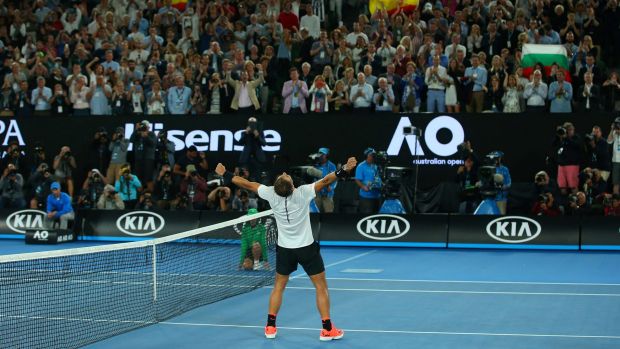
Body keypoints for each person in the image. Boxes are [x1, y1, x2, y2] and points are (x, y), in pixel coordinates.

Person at [214, 155, 357, 341]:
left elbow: (247, 184)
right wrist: (344, 169)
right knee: (321, 287)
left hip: (285, 250)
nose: (284, 173)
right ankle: (327, 329)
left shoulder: (271, 194)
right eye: (285, 176)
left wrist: (225, 173)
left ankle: (270, 327)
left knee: (278, 287)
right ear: (291, 186)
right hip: (306, 248)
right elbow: (327, 180)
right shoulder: (303, 192)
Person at [354, 148, 382, 214]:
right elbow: (357, 179)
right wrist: (363, 187)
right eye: (372, 155)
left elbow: (379, 178)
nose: (373, 156)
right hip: (366, 197)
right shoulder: (361, 166)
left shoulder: (376, 166)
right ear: (367, 156)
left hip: (376, 195)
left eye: (374, 155)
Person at [314, 148, 337, 213]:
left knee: (328, 215)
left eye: (323, 154)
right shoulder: (316, 165)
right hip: (317, 194)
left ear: (327, 155)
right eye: (320, 154)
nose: (321, 156)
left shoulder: (332, 166)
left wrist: (331, 187)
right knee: (315, 214)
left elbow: (335, 179)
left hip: (328, 195)